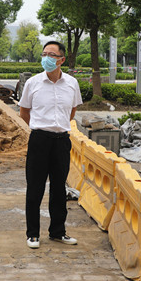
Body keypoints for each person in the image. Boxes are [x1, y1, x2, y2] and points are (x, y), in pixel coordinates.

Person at [18, 41, 83, 250]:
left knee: (59, 188)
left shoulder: (72, 83)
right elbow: (24, 112)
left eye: (52, 55)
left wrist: (58, 126)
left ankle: (57, 232)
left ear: (61, 59)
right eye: (44, 54)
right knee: (35, 187)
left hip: (62, 141)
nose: (47, 58)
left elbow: (72, 111)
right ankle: (33, 234)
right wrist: (41, 127)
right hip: (39, 140)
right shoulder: (33, 83)